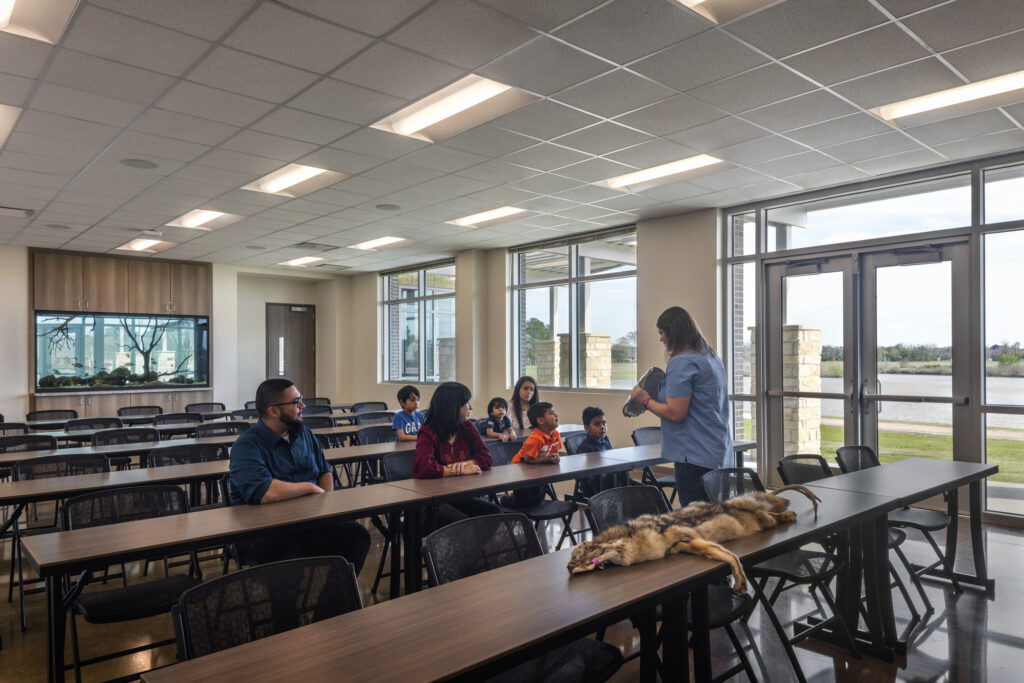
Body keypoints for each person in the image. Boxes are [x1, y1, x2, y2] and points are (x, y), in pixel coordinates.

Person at [228, 378, 371, 572]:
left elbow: (324, 471)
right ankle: (291, 602)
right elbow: (265, 491)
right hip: (264, 529)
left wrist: (326, 504)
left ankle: (334, 597)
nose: (303, 405)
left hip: (307, 520)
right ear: (274, 411)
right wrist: (309, 487)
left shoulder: (304, 434)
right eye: (296, 402)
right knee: (285, 552)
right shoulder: (246, 446)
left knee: (355, 535)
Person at [629, 306, 733, 507]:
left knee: (695, 523)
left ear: (674, 333)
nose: (661, 339)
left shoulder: (682, 363)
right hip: (718, 452)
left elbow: (675, 412)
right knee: (717, 519)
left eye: (662, 333)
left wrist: (644, 400)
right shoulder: (712, 358)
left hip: (694, 457)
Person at [413, 381, 502, 526]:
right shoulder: (428, 432)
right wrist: (456, 470)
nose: (471, 407)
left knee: (495, 513)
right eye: (466, 403)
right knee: (462, 525)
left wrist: (465, 464)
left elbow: (486, 458)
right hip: (433, 500)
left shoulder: (467, 427)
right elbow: (424, 468)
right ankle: (468, 549)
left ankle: (477, 549)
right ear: (452, 407)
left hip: (461, 495)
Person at [501, 402, 561, 508]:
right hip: (519, 471)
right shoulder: (535, 439)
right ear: (540, 420)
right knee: (524, 502)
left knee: (538, 498)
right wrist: (547, 459)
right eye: (552, 413)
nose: (556, 415)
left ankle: (515, 497)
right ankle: (505, 499)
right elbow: (528, 459)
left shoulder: (555, 434)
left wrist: (555, 457)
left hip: (536, 470)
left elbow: (554, 451)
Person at [575, 406, 617, 496]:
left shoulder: (605, 441)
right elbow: (586, 476)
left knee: (626, 477)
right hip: (593, 487)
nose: (602, 427)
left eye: (604, 423)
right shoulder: (585, 447)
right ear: (587, 428)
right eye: (597, 424)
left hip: (607, 480)